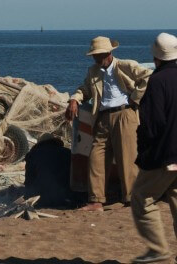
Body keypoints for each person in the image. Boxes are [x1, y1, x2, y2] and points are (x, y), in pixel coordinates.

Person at [65, 36, 152, 211]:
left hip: (125, 114)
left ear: (109, 53)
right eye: (94, 55)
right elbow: (85, 90)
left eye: (99, 55)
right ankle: (96, 200)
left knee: (127, 157)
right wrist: (74, 99)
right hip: (103, 117)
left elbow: (149, 76)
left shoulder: (125, 65)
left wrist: (135, 99)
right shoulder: (93, 71)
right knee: (96, 157)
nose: (96, 58)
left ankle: (131, 198)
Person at [131, 32, 177, 264]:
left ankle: (158, 249)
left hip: (165, 154)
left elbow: (152, 123)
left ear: (157, 57)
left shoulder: (158, 81)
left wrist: (144, 151)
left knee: (141, 196)